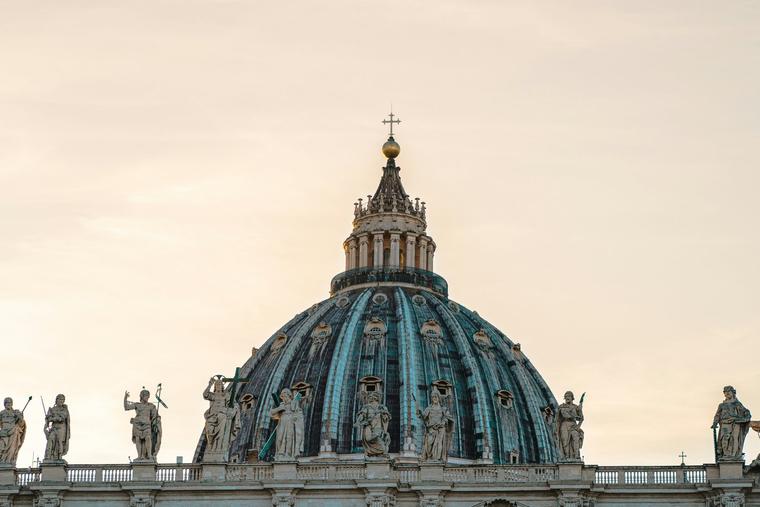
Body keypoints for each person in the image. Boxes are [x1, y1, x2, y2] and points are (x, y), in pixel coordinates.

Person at [712, 385, 751, 461]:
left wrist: (742, 419)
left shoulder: (737, 404)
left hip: (735, 423)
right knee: (724, 438)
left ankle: (733, 455)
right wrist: (715, 423)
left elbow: (746, 412)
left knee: (734, 438)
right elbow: (717, 415)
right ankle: (726, 454)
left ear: (733, 393)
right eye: (725, 393)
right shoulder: (722, 405)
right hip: (724, 424)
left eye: (728, 392)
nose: (727, 394)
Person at [124, 390, 161, 461]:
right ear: (142, 396)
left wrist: (157, 420)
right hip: (137, 424)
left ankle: (149, 455)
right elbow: (126, 407)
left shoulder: (151, 406)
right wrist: (125, 398)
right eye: (146, 396)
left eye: (148, 396)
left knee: (147, 438)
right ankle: (139, 456)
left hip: (147, 424)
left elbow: (155, 416)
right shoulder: (137, 405)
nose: (147, 397)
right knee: (138, 439)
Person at [419, 391, 454, 462]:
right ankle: (429, 457)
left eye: (435, 397)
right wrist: (419, 412)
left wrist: (442, 423)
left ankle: (436, 459)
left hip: (440, 429)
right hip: (431, 429)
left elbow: (448, 418)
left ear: (438, 398)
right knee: (429, 444)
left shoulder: (443, 409)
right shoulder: (428, 408)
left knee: (438, 444)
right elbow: (423, 416)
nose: (434, 398)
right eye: (432, 397)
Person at [269, 388, 303, 460]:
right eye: (282, 397)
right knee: (279, 438)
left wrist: (295, 418)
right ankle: (280, 453)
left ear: (289, 396)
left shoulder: (294, 403)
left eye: (285, 396)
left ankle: (288, 454)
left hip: (290, 421)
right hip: (282, 422)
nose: (283, 398)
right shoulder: (282, 405)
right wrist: (279, 408)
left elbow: (298, 414)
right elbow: (271, 413)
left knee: (289, 437)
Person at [355, 391, 391, 457]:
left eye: (372, 396)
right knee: (368, 439)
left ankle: (381, 452)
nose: (371, 398)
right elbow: (362, 415)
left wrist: (384, 415)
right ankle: (372, 452)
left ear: (376, 398)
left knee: (380, 443)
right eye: (370, 397)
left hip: (378, 427)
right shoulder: (366, 407)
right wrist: (357, 421)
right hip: (368, 426)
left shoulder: (382, 407)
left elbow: (386, 418)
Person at [556, 391, 584, 461]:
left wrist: (578, 426)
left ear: (572, 398)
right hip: (564, 425)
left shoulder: (576, 407)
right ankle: (566, 457)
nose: (567, 398)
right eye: (566, 397)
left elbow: (581, 418)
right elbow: (557, 419)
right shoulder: (561, 407)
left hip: (573, 425)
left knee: (575, 438)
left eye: (568, 396)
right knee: (565, 442)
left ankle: (576, 456)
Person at [43, 394, 70, 462]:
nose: (61, 401)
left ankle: (59, 457)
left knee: (59, 442)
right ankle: (48, 456)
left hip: (61, 428)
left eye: (62, 400)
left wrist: (52, 418)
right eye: (60, 399)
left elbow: (62, 418)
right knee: (50, 440)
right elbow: (48, 419)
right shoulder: (52, 409)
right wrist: (48, 418)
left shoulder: (64, 410)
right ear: (56, 400)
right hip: (54, 428)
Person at [0, 398, 25, 465]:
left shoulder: (16, 412)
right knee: (1, 447)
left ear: (12, 404)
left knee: (12, 449)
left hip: (13, 433)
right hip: (3, 434)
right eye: (7, 403)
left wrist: (20, 417)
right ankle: (2, 461)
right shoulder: (1, 413)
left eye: (10, 403)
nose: (8, 404)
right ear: (4, 404)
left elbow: (22, 424)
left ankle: (8, 462)